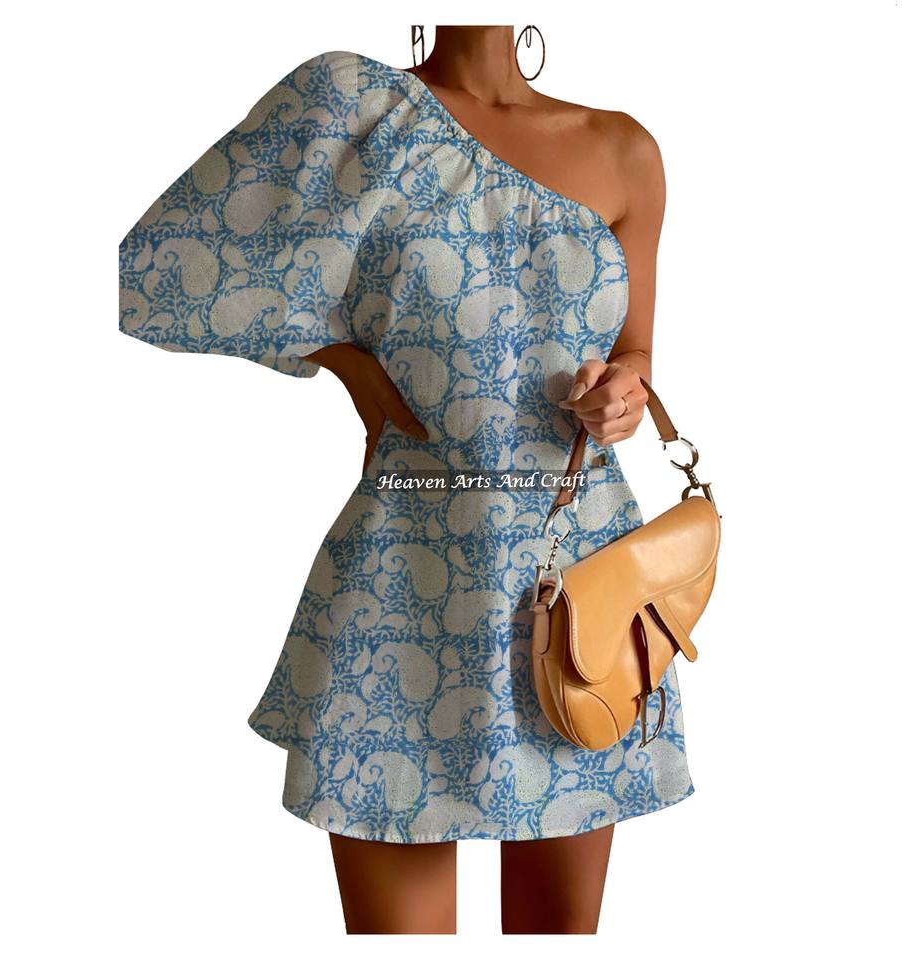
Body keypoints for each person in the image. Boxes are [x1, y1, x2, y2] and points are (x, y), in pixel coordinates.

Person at [119, 24, 690, 935]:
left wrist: (625, 393)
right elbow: (155, 267)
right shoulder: (350, 107)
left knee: (558, 934)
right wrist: (342, 359)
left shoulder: (625, 150)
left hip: (583, 577)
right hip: (406, 577)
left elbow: (637, 351)